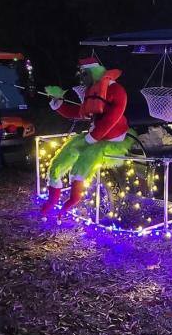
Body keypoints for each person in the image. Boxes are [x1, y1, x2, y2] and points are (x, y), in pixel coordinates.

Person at [40, 58, 134, 224]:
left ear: (92, 72)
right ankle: (52, 201)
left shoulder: (117, 90)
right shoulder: (92, 90)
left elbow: (112, 118)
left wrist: (94, 137)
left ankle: (73, 200)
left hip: (112, 138)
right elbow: (80, 111)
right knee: (62, 159)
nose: (81, 78)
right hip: (94, 135)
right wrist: (58, 103)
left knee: (82, 164)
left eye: (83, 74)